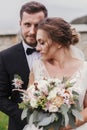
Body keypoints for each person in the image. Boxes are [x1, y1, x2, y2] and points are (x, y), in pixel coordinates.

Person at [29, 17, 87, 130]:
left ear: (59, 43)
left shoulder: (85, 69)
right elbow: (29, 103)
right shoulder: (37, 67)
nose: (37, 48)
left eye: (42, 42)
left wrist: (64, 127)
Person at [0, 1, 48, 130]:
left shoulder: (56, 54)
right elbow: (1, 97)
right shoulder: (5, 57)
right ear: (20, 23)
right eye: (27, 24)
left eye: (37, 25)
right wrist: (27, 118)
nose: (32, 31)